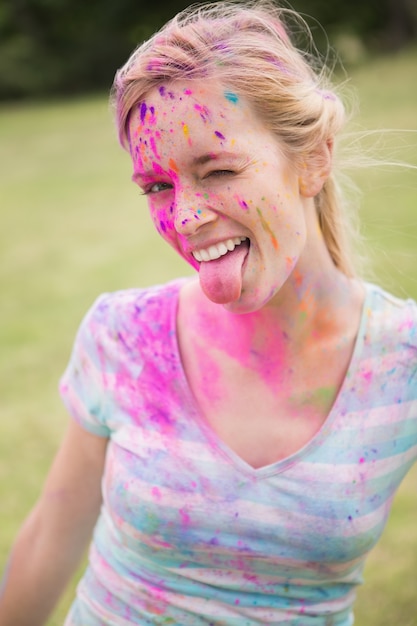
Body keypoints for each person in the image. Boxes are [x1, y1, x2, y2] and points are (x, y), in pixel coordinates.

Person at [1, 1, 416, 624]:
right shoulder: (125, 336)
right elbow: (48, 539)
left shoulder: (402, 360)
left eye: (218, 169)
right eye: (157, 186)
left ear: (314, 158)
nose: (187, 218)